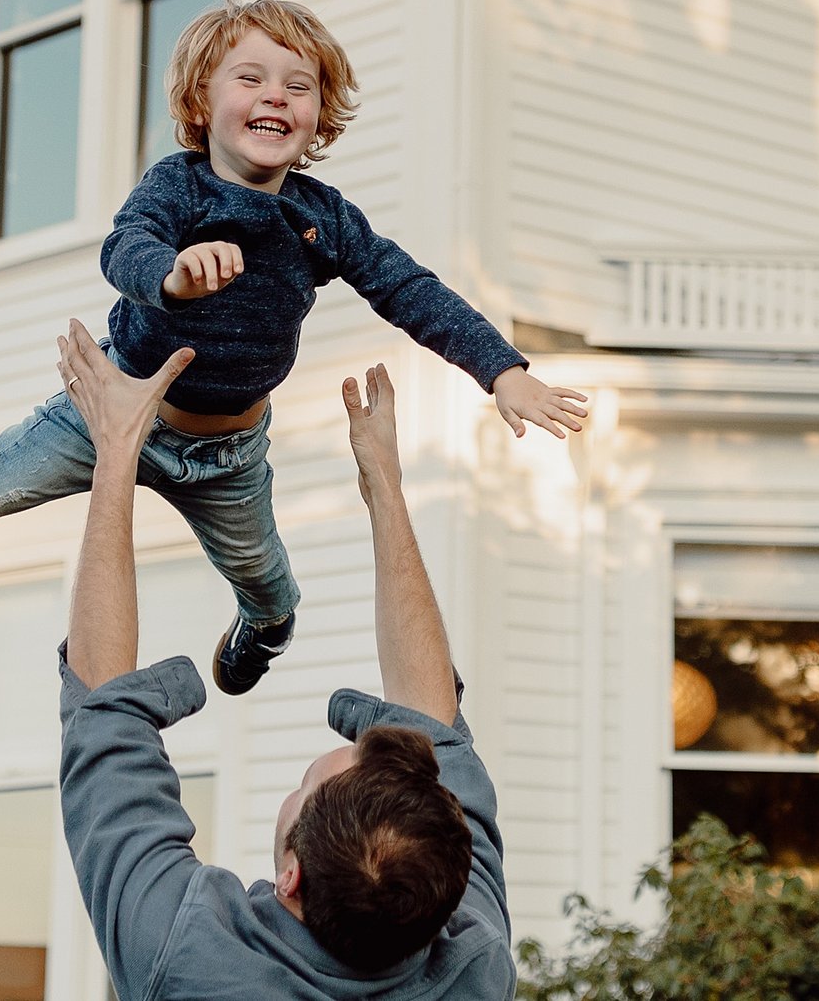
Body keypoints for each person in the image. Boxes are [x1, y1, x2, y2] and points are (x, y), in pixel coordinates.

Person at [0, 0, 590, 694]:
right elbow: (125, 248)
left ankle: (262, 630)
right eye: (251, 78)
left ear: (318, 118)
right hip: (113, 410)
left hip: (224, 454)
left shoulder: (322, 218)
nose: (277, 97)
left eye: (300, 86)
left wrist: (502, 371)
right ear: (201, 101)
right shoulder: (176, 187)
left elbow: (411, 289)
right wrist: (175, 276)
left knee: (270, 591)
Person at [53, 319, 516, 998]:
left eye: (307, 785)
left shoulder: (188, 957)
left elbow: (102, 712)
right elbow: (433, 721)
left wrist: (118, 449)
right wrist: (383, 487)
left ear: (291, 876)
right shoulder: (469, 965)